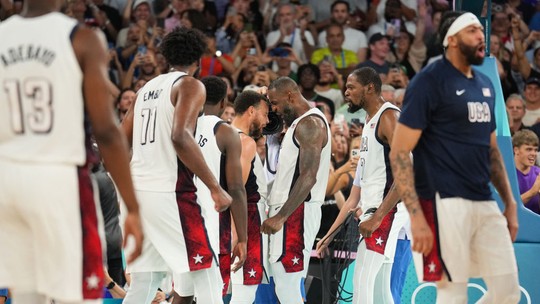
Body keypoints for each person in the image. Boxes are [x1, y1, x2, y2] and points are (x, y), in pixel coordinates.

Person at [0, 0, 143, 303]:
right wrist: (132, 207)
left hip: (7, 178)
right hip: (57, 176)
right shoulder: (83, 38)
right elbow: (106, 130)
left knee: (28, 296)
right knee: (79, 293)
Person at [389, 11, 521, 303]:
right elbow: (399, 152)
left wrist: (510, 203)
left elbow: (492, 152)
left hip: (483, 200)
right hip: (441, 202)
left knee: (507, 292)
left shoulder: (485, 85)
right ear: (451, 40)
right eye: (472, 31)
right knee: (452, 294)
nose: (480, 37)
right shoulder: (429, 81)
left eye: (481, 32)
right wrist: (416, 217)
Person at [121, 27, 232, 304]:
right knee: (206, 270)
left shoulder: (145, 88)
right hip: (169, 191)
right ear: (199, 58)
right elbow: (180, 136)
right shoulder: (191, 85)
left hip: (137, 193)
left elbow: (121, 141)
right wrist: (215, 187)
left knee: (145, 280)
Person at [316, 67, 407, 304]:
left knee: (362, 281)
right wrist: (329, 234)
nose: (346, 92)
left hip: (387, 212)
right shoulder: (369, 122)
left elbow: (405, 174)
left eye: (351, 87)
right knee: (378, 287)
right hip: (373, 213)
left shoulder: (389, 117)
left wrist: (377, 217)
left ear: (370, 88)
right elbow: (354, 196)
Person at [176, 76, 248, 303]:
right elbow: (236, 189)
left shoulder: (178, 127)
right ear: (224, 102)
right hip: (209, 227)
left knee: (182, 295)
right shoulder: (225, 132)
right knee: (212, 296)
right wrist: (243, 238)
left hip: (178, 223)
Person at [262, 77, 331, 303]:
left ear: (290, 96)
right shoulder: (299, 122)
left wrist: (281, 217)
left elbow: (308, 176)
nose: (274, 109)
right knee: (286, 285)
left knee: (287, 284)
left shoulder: (310, 124)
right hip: (294, 213)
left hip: (295, 215)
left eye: (275, 103)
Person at [229, 90, 270, 304]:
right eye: (264, 114)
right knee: (245, 289)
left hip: (212, 214)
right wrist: (237, 234)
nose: (267, 120)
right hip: (244, 217)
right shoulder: (245, 142)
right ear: (251, 111)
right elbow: (238, 189)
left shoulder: (217, 134)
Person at [513, 129, 540, 214]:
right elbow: (505, 206)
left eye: (535, 150)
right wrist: (532, 192)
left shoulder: (538, 173)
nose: (533, 153)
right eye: (529, 149)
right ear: (516, 150)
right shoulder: (506, 174)